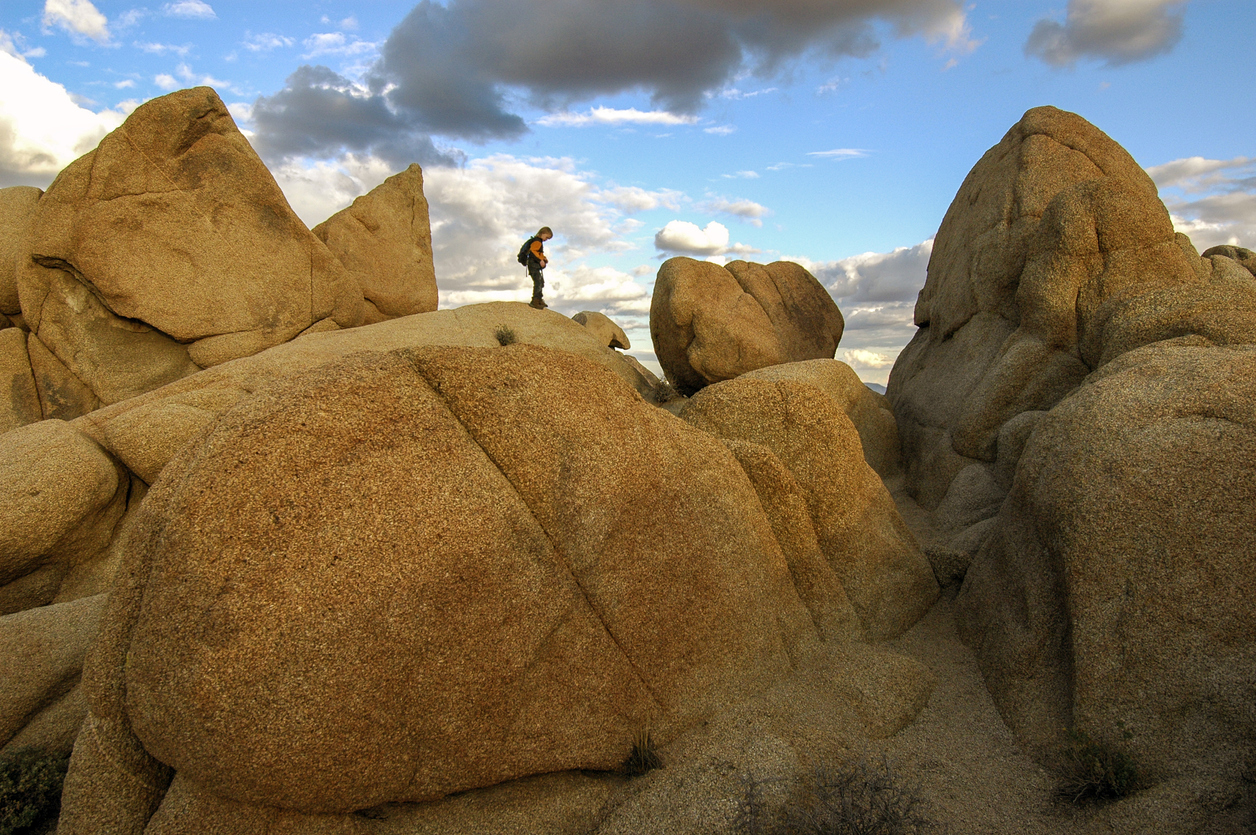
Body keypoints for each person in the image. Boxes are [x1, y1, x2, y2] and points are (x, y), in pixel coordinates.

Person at [521, 226, 553, 309]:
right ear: (542, 233)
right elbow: (533, 252)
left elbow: (538, 253)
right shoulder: (537, 241)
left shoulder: (538, 242)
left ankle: (539, 299)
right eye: (546, 237)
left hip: (533, 264)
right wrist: (540, 260)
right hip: (533, 265)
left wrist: (544, 258)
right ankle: (535, 300)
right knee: (538, 281)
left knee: (540, 281)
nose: (546, 239)